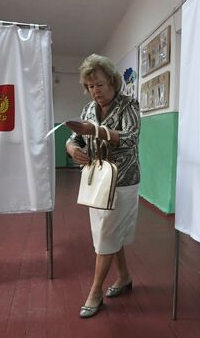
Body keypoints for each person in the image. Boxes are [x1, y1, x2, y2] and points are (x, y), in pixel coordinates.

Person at [65, 54, 141, 318]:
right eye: (90, 86)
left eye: (99, 84)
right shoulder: (88, 110)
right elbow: (75, 138)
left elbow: (131, 139)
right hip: (97, 180)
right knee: (106, 232)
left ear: (112, 81)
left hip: (122, 180)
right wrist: (72, 148)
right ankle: (124, 277)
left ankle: (95, 291)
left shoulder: (128, 104)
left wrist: (96, 131)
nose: (95, 91)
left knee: (107, 232)